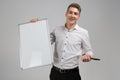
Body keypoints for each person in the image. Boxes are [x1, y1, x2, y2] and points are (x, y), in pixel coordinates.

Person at [31, 3, 93, 80]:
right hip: (55, 74)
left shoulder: (83, 33)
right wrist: (36, 26)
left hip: (72, 75)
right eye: (70, 12)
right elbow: (43, 42)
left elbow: (89, 51)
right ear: (66, 14)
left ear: (78, 17)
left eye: (75, 14)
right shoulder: (57, 30)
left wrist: (88, 56)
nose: (72, 15)